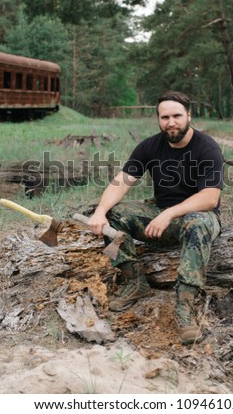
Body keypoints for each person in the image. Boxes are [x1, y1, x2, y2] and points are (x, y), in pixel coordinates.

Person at [88, 91, 224, 345]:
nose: (171, 122)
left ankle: (184, 307)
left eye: (177, 116)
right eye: (165, 117)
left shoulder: (207, 148)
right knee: (112, 215)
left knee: (197, 221)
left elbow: (210, 198)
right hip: (160, 213)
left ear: (189, 116)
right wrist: (99, 212)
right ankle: (134, 279)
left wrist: (170, 213)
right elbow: (121, 182)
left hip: (199, 218)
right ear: (158, 119)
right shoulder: (150, 146)